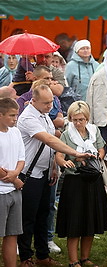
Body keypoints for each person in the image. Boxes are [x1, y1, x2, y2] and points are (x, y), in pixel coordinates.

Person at [17, 84, 92, 267]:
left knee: (44, 215)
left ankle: (42, 256)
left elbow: (49, 145)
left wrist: (53, 168)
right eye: (46, 102)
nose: (50, 105)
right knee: (28, 218)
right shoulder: (28, 118)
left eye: (51, 101)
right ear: (33, 101)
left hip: (44, 172)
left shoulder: (44, 115)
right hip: (30, 174)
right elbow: (50, 139)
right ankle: (26, 257)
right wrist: (74, 153)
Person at [55, 101, 107, 267]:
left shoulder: (94, 131)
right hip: (75, 181)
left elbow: (102, 149)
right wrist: (69, 161)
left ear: (87, 118)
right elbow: (59, 156)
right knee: (75, 221)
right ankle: (73, 260)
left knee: (90, 220)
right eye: (74, 119)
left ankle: (85, 258)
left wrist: (97, 156)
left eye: (81, 119)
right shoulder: (66, 135)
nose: (78, 123)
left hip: (92, 180)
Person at [0, 98, 25, 267]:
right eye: (11, 115)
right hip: (1, 191)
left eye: (16, 115)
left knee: (12, 234)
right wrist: (15, 179)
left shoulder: (15, 132)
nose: (15, 119)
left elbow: (21, 158)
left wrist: (16, 173)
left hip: (15, 192)